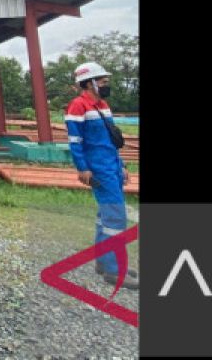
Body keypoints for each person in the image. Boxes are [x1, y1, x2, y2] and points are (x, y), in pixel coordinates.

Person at [65, 61, 138, 289]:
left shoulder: (103, 106)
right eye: (103, 81)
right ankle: (114, 271)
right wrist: (83, 168)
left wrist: (122, 165)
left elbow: (111, 140)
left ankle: (103, 261)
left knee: (104, 216)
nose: (107, 85)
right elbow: (75, 142)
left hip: (112, 166)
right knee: (115, 217)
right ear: (89, 83)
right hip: (98, 169)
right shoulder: (78, 106)